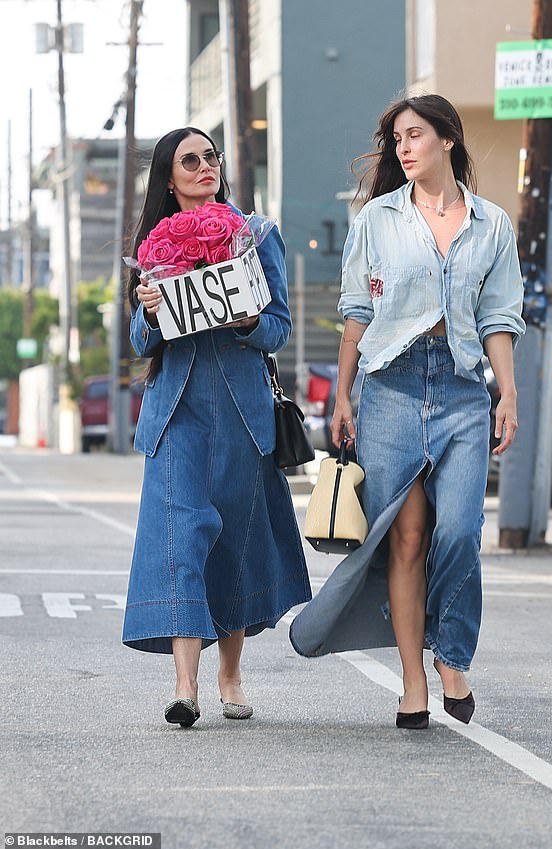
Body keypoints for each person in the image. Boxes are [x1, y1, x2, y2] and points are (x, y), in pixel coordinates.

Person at [290, 94, 526, 729]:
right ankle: (415, 681)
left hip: (462, 389)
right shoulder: (377, 220)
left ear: (447, 139)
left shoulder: (492, 224)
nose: (403, 147)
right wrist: (341, 394)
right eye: (397, 139)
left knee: (460, 533)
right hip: (390, 388)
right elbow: (356, 314)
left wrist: (508, 392)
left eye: (415, 135)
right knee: (406, 537)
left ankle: (452, 652)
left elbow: (501, 319)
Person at [122, 127, 312, 727]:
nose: (206, 166)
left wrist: (250, 319)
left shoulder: (257, 236)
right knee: (183, 537)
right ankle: (186, 686)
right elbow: (137, 341)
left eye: (211, 157)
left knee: (233, 537)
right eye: (190, 160)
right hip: (177, 413)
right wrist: (149, 310)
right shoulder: (151, 248)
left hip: (242, 410)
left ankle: (230, 672)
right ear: (169, 177)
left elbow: (279, 329)